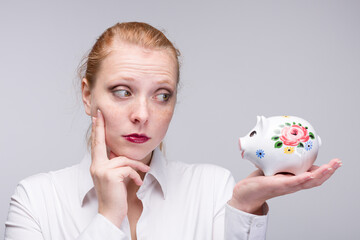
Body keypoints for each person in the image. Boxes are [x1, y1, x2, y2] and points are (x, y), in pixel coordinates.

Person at [5, 22, 341, 240]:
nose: (142, 114)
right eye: (122, 91)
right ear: (87, 94)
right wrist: (108, 217)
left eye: (162, 95)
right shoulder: (36, 200)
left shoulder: (213, 190)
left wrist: (245, 209)